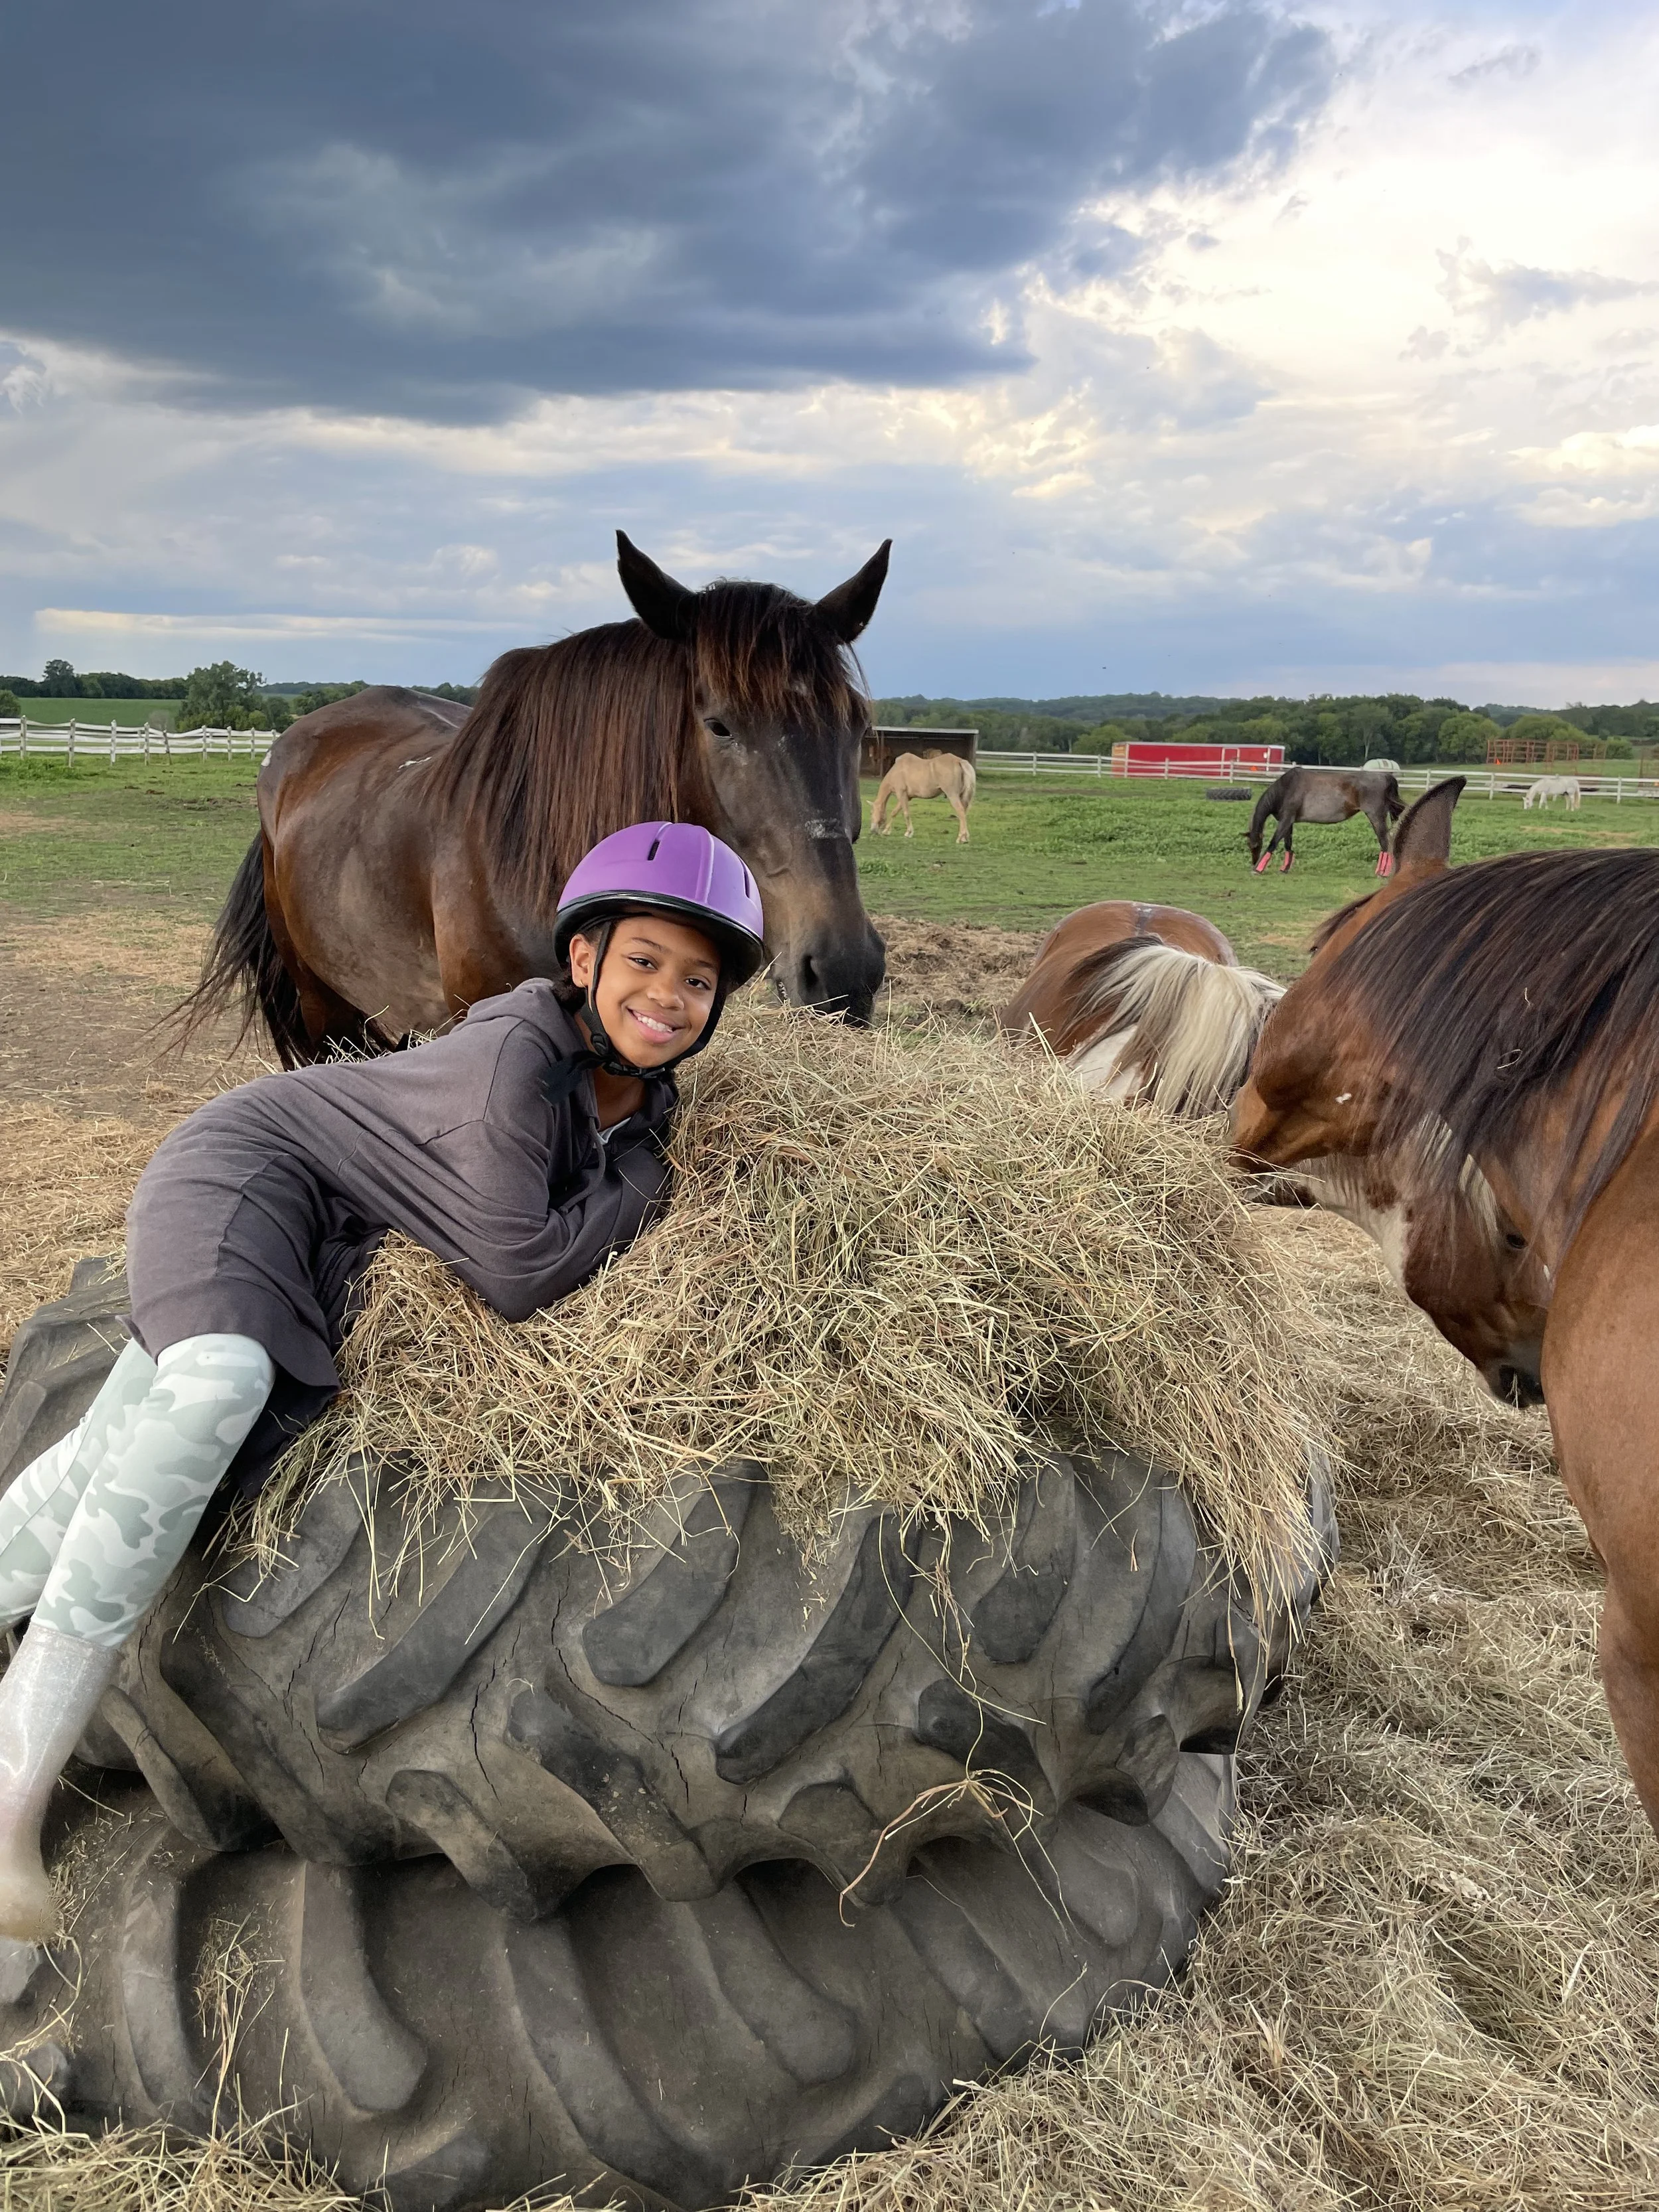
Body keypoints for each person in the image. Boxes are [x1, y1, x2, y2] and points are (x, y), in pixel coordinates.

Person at [0, 820, 764, 1941]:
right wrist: (648, 1181)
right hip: (251, 1172)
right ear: (584, 959)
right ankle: (15, 1789)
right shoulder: (518, 1060)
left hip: (336, 1227)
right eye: (643, 960)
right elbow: (518, 1269)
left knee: (121, 1453)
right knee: (214, 1388)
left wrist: (644, 1158)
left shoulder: (638, 1096)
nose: (670, 994)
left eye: (700, 980)